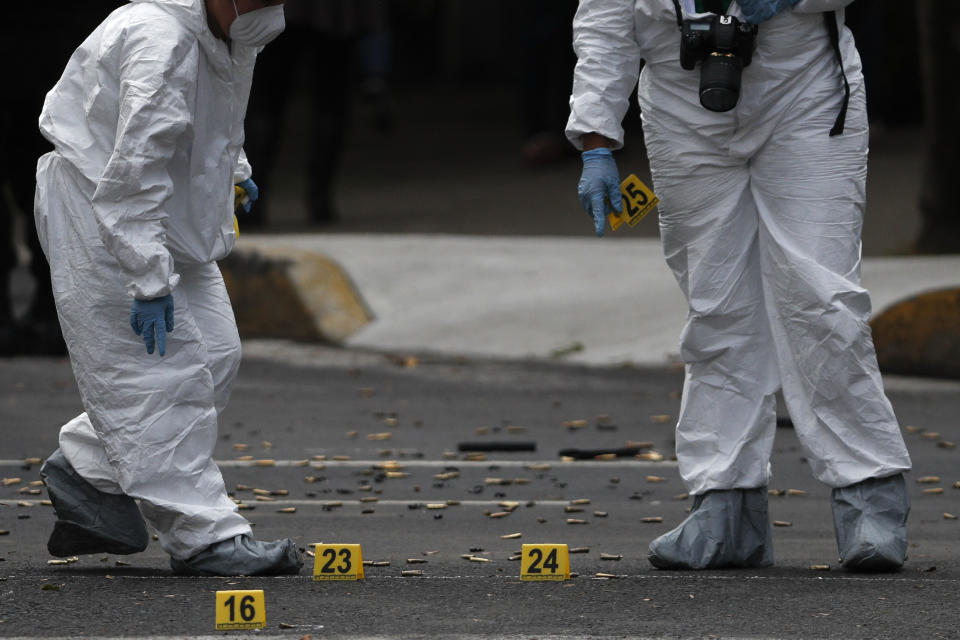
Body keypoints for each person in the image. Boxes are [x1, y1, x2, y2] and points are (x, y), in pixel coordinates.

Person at [568, 0, 913, 571]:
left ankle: (868, 494)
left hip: (804, 95)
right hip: (682, 109)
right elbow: (605, 20)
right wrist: (596, 139)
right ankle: (724, 507)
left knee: (821, 299)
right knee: (717, 306)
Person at [34, 0, 302, 576]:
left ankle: (85, 467)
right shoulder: (159, 41)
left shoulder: (226, 30)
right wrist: (148, 279)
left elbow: (216, 109)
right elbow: (133, 169)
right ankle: (205, 537)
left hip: (166, 210)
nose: (270, 13)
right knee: (155, 374)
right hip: (103, 207)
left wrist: (233, 170)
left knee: (215, 354)